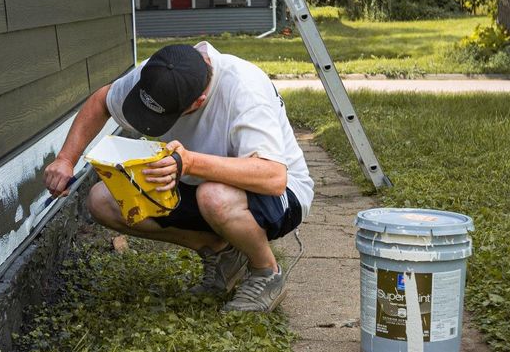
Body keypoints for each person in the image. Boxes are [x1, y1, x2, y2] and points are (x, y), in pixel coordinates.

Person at [43, 40, 313, 313]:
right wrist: (66, 160)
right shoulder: (159, 73)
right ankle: (221, 253)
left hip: (281, 196)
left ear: (199, 101)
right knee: (103, 200)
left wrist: (191, 163)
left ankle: (267, 272)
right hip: (194, 179)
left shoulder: (244, 89)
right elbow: (102, 100)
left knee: (214, 196)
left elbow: (273, 176)